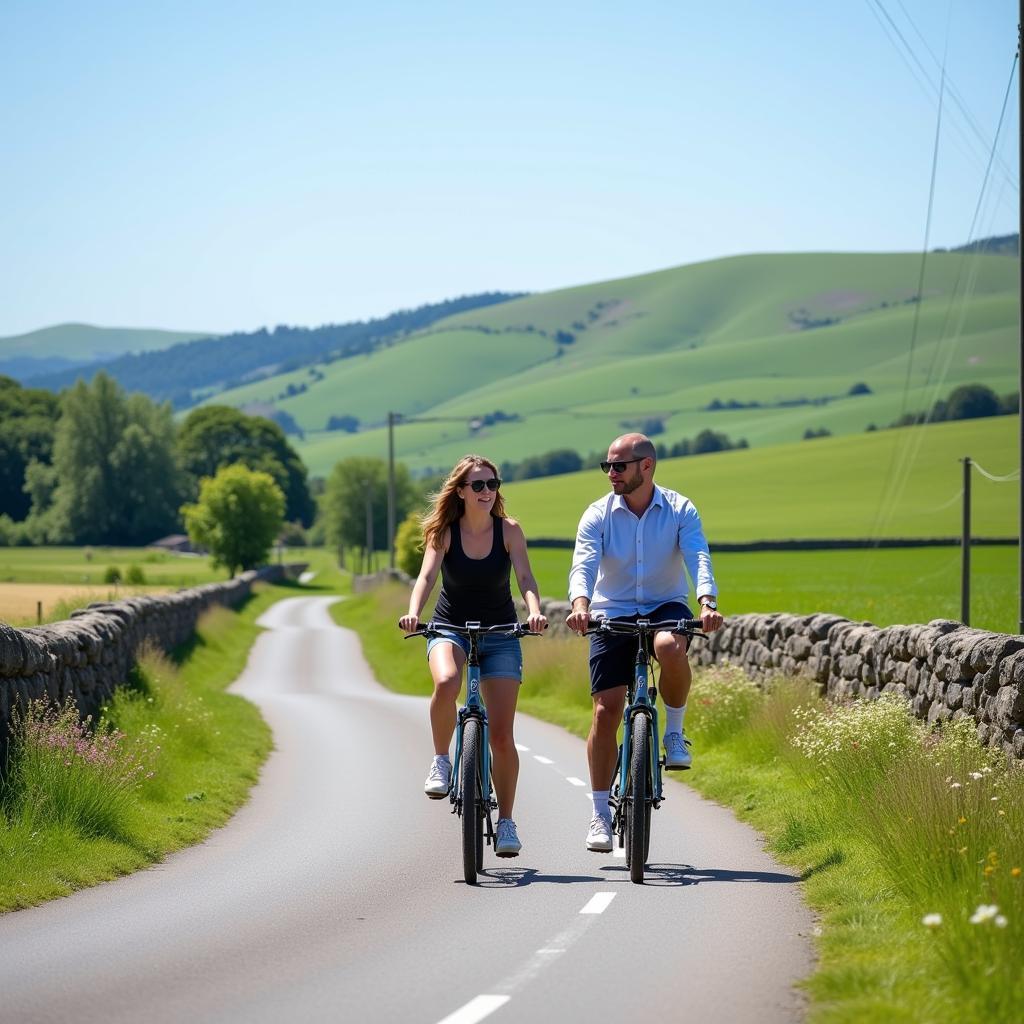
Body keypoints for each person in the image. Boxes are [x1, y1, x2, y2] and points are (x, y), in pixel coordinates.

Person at [566, 432, 724, 852]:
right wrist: (581, 604)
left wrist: (707, 602)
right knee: (605, 712)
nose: (611, 473)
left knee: (670, 647)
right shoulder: (597, 514)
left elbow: (698, 555)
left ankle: (674, 733)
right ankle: (600, 814)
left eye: (619, 466)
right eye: (607, 466)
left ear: (646, 466)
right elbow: (583, 563)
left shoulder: (679, 509)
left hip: (664, 604)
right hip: (610, 609)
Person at [399, 454, 547, 858]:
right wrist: (414, 611)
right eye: (478, 485)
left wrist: (533, 611)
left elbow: (526, 577)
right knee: (447, 682)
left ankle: (507, 823)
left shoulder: (510, 531)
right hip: (449, 628)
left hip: (500, 632)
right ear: (461, 491)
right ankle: (441, 761)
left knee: (501, 735)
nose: (487, 492)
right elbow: (427, 576)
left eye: (492, 484)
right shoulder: (444, 533)